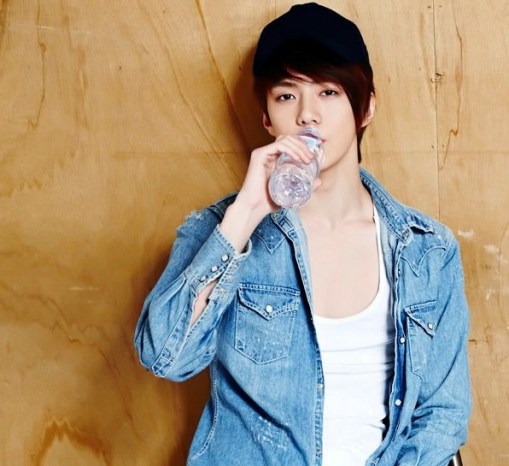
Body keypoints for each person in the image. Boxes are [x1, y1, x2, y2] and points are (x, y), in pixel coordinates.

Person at [134, 3, 471, 465]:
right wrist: (247, 212)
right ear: (267, 118)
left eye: (328, 92)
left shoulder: (429, 250)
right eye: (286, 95)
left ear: (366, 107)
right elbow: (165, 358)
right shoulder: (222, 229)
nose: (308, 115)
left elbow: (442, 414)